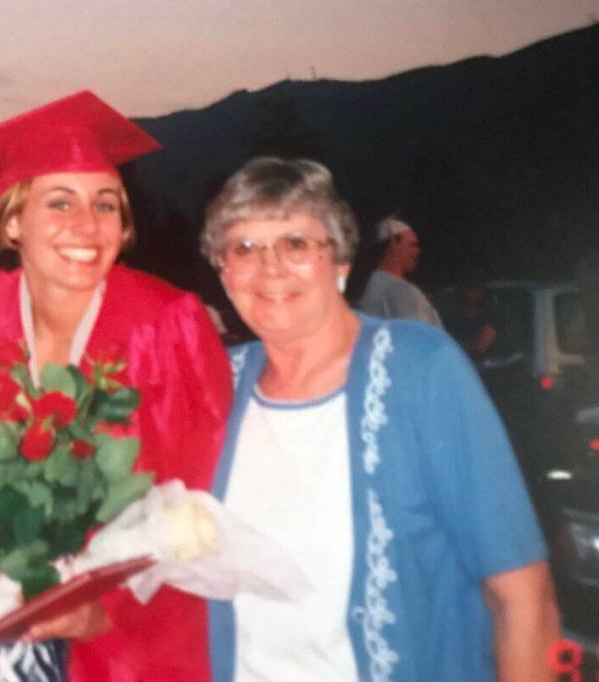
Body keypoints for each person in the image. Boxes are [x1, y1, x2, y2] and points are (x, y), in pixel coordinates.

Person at [200, 157, 559, 681]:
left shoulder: (419, 369)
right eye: (245, 248)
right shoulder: (215, 386)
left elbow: (524, 598)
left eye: (296, 243)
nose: (270, 267)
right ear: (224, 272)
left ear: (341, 261)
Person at [0, 91, 233, 681]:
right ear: (12, 221)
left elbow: (211, 498)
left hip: (133, 646)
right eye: (60, 202)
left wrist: (107, 611)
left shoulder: (168, 324)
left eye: (105, 204)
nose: (87, 225)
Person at [358, 217, 442, 326]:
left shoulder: (373, 287)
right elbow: (416, 333)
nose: (418, 251)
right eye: (412, 245)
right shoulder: (400, 291)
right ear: (393, 245)